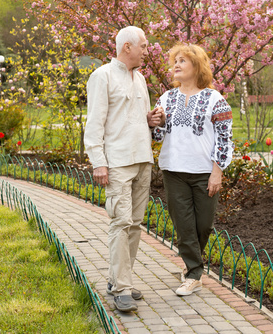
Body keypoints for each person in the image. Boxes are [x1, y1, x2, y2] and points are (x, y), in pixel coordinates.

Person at [84, 26, 164, 312]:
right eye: (143, 45)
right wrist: (98, 162)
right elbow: (94, 124)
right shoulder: (101, 76)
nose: (147, 50)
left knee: (135, 224)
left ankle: (120, 279)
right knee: (120, 223)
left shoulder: (140, 78)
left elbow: (132, 118)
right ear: (126, 47)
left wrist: (150, 120)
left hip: (143, 159)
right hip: (116, 162)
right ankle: (121, 289)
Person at [152, 44, 234, 296]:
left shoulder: (215, 100)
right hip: (173, 170)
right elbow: (158, 136)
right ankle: (194, 274)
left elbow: (225, 138)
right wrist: (156, 122)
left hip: (203, 172)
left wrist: (217, 171)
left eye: (182, 61)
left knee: (204, 225)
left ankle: (191, 268)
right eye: (174, 60)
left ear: (197, 66)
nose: (175, 65)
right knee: (184, 225)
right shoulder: (166, 98)